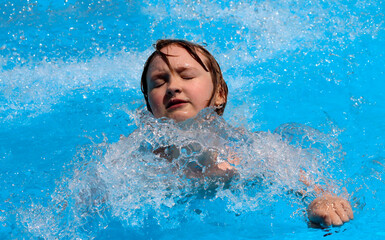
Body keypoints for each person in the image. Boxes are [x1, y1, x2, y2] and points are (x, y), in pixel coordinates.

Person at [140, 39, 354, 227]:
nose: (172, 87)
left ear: (220, 94)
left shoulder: (244, 150)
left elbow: (310, 182)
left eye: (186, 76)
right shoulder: (140, 161)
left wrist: (322, 200)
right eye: (159, 82)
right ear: (149, 104)